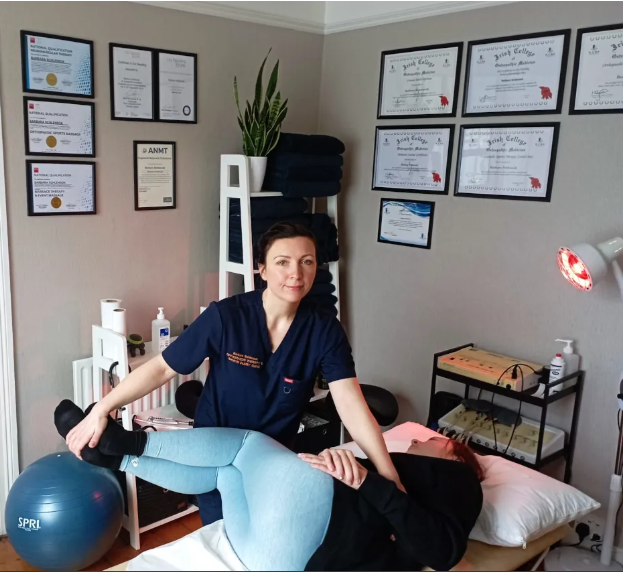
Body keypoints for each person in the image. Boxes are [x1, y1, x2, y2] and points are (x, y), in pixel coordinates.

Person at [65, 222, 404, 525]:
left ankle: (121, 451)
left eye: (307, 262)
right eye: (282, 262)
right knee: (221, 538)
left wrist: (389, 477)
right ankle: (121, 448)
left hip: (269, 459)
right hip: (210, 450)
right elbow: (162, 367)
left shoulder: (324, 330)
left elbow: (350, 403)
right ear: (262, 270)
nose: (296, 273)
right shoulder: (226, 317)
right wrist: (102, 408)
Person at [55, 400, 484, 572]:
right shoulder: (421, 475)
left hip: (321, 523)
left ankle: (126, 445)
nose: (416, 441)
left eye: (427, 440)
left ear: (452, 449)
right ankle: (117, 457)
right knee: (224, 472)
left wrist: (367, 480)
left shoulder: (459, 477)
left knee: (246, 443)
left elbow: (443, 553)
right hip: (272, 559)